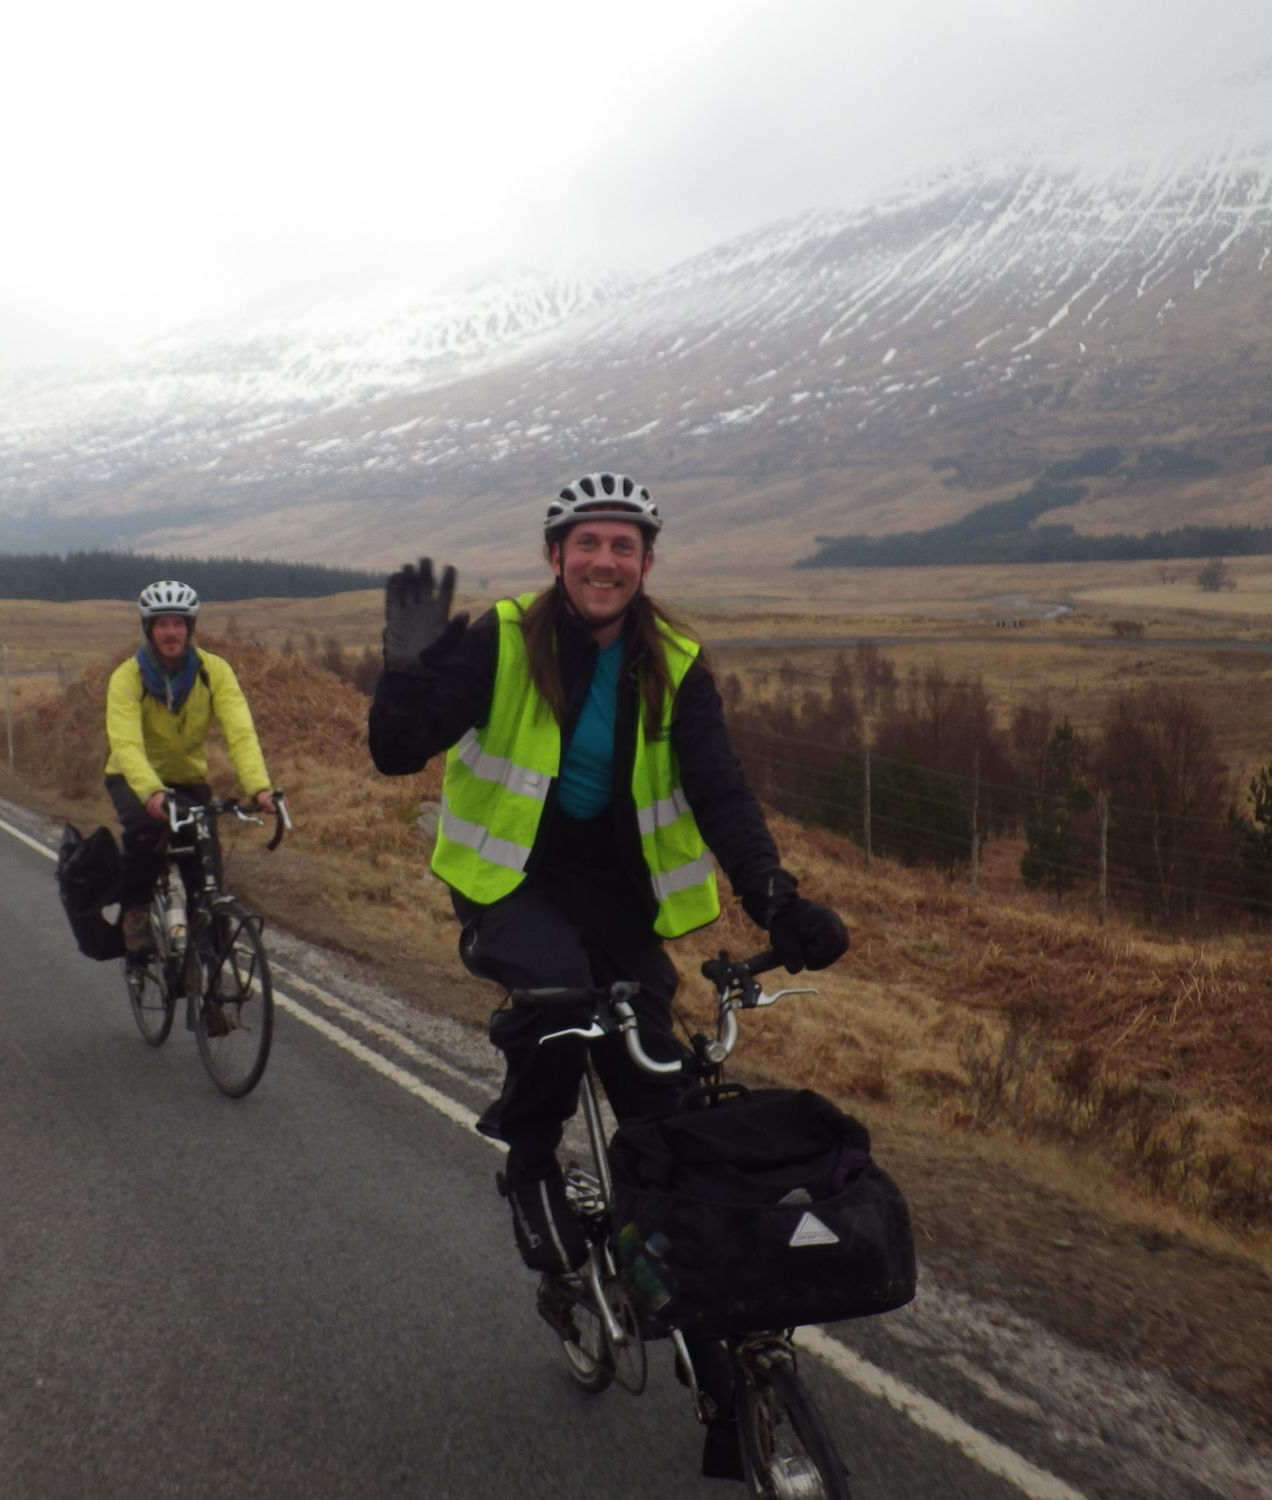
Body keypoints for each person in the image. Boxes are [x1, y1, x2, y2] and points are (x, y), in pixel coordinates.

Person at [365, 472, 848, 1482]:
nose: (603, 561)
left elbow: (718, 787)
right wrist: (404, 671)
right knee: (556, 1009)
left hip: (621, 901)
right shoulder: (499, 638)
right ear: (555, 557)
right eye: (586, 543)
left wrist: (775, 900)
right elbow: (392, 753)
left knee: (666, 1110)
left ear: (644, 563)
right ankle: (529, 1159)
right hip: (510, 884)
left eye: (623, 546)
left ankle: (726, 1387)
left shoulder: (671, 660)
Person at [104, 580, 279, 957]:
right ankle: (135, 911)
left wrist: (260, 788)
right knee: (146, 832)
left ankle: (212, 993)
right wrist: (151, 792)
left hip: (187, 779)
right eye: (162, 624)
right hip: (133, 778)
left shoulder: (213, 672)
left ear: (190, 627)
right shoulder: (127, 678)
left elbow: (241, 732)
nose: (171, 632)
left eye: (179, 623)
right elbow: (126, 744)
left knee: (207, 876)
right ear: (149, 629)